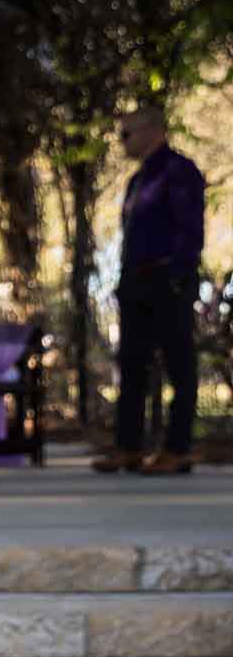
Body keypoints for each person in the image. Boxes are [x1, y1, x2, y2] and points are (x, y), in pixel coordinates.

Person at [94, 105, 208, 475]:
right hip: (135, 283)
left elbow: (190, 229)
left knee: (179, 362)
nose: (121, 142)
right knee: (131, 364)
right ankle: (128, 446)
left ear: (153, 130)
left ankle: (178, 448)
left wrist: (178, 274)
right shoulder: (137, 180)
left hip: (167, 279)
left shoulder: (178, 171)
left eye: (127, 133)